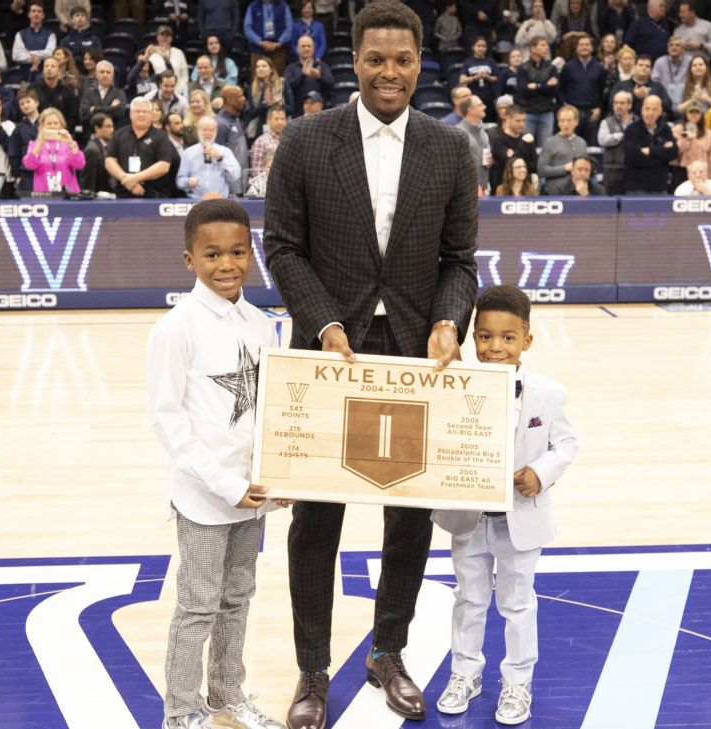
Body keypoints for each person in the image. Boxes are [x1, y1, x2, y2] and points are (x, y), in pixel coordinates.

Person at [262, 3, 479, 727]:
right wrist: (322, 320)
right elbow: (284, 248)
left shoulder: (450, 148)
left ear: (421, 63)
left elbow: (460, 263)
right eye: (377, 59)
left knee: (407, 519)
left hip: (415, 359)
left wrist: (450, 321)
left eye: (404, 60)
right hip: (330, 356)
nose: (391, 73)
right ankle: (313, 669)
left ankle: (389, 649)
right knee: (316, 523)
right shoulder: (304, 139)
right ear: (354, 61)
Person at [146, 199, 287, 729]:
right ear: (189, 260)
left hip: (252, 494)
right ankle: (181, 710)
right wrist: (224, 483)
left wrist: (280, 476)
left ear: (251, 253)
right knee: (198, 606)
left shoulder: (260, 323)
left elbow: (273, 409)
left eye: (237, 252)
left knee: (237, 599)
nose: (226, 264)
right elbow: (167, 421)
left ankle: (229, 696)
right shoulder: (175, 329)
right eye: (212, 255)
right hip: (205, 496)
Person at [431, 284, 578, 727]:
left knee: (517, 603)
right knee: (469, 599)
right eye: (485, 336)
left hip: (521, 517)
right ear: (471, 337)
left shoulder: (548, 393)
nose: (495, 347)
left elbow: (565, 443)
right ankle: (464, 674)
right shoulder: (450, 385)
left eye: (508, 338)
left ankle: (518, 681)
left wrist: (541, 472)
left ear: (526, 341)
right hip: (468, 517)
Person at [106, 96, 179, 197]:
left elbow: (164, 166)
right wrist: (126, 180)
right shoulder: (119, 134)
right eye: (137, 111)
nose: (141, 114)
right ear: (130, 114)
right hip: (124, 195)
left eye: (145, 111)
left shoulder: (161, 136)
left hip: (154, 196)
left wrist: (135, 178)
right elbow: (109, 161)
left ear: (151, 115)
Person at [177, 115, 242, 199]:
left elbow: (235, 176)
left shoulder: (225, 152)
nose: (207, 134)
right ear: (198, 130)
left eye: (211, 130)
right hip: (196, 201)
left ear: (216, 131)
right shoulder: (188, 153)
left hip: (220, 201)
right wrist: (188, 182)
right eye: (204, 130)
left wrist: (220, 158)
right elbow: (179, 181)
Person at [22, 108, 85, 194]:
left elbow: (80, 165)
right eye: (49, 123)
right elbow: (29, 165)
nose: (52, 126)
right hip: (43, 193)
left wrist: (71, 144)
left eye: (56, 123)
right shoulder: (34, 144)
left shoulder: (69, 144)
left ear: (61, 125)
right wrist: (39, 145)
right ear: (42, 125)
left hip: (68, 192)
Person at [623, 93, 677, 194]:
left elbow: (673, 153)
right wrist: (661, 154)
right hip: (636, 187)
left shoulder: (666, 129)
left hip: (660, 187)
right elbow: (634, 157)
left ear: (660, 112)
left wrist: (650, 151)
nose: (650, 113)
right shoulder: (631, 130)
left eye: (654, 109)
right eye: (647, 109)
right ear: (642, 110)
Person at [559, 34, 605, 142]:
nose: (584, 47)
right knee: (571, 144)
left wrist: (599, 107)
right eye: (581, 45)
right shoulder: (568, 66)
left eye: (587, 45)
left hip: (592, 113)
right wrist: (566, 106)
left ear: (592, 48)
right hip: (573, 112)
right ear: (577, 48)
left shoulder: (599, 67)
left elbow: (603, 91)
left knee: (592, 147)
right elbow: (561, 89)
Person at [515, 35, 559, 145]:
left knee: (545, 147)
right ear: (533, 48)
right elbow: (523, 91)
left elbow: (554, 89)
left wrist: (537, 86)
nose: (547, 48)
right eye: (543, 45)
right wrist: (545, 86)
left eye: (547, 45)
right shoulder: (523, 68)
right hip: (528, 112)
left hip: (547, 112)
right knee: (526, 146)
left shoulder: (551, 67)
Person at [538, 105, 588, 194]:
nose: (565, 124)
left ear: (576, 122)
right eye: (562, 121)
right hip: (555, 190)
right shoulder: (550, 142)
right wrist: (564, 168)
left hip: (577, 190)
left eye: (569, 120)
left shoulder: (582, 142)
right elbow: (541, 170)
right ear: (558, 123)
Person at [489, 103, 537, 193]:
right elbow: (510, 165)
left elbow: (534, 166)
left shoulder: (527, 139)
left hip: (524, 190)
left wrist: (516, 157)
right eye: (518, 121)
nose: (522, 124)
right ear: (507, 119)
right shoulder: (499, 141)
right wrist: (523, 144)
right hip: (503, 190)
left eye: (524, 120)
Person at [609, 53, 671, 118]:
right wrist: (633, 95)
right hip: (626, 123)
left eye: (647, 66)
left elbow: (667, 105)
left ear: (651, 70)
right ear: (634, 67)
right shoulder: (621, 86)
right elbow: (612, 105)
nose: (644, 68)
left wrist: (648, 99)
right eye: (640, 65)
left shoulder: (658, 87)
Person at [670, 101, 711, 189]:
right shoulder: (676, 130)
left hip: (701, 172)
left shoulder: (708, 133)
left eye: (697, 112)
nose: (694, 114)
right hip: (681, 170)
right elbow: (673, 151)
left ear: (701, 114)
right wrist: (687, 139)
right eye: (691, 112)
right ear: (686, 114)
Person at [285, 36, 334, 117]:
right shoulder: (291, 68)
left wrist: (319, 77)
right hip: (297, 115)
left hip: (320, 115)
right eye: (303, 46)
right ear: (297, 48)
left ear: (314, 48)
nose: (306, 48)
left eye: (309, 46)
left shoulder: (322, 66)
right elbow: (287, 88)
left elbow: (331, 85)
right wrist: (303, 75)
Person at [598, 89, 634, 193]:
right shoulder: (606, 122)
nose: (618, 106)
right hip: (612, 170)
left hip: (633, 169)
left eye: (622, 103)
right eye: (616, 103)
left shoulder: (637, 121)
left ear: (629, 105)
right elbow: (602, 140)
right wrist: (622, 136)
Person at [245, 0, 295, 72]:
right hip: (258, 49)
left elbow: (289, 28)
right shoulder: (252, 6)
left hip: (278, 50)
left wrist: (279, 43)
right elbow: (247, 29)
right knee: (257, 78)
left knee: (278, 78)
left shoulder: (283, 6)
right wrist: (260, 42)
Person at [457, 95, 493, 192]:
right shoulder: (458, 132)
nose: (484, 107)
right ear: (471, 110)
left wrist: (489, 162)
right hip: (465, 189)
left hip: (483, 186)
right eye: (480, 105)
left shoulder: (482, 131)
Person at [13, 2, 56, 80]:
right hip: (24, 75)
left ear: (43, 16)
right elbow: (16, 56)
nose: (36, 14)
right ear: (29, 14)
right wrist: (37, 57)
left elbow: (50, 53)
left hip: (44, 76)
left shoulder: (51, 35)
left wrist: (29, 53)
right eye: (33, 11)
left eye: (39, 11)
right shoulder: (20, 34)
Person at [34, 56, 81, 127]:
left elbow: (72, 116)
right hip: (38, 130)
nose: (49, 69)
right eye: (46, 66)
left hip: (61, 131)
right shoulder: (33, 89)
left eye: (52, 66)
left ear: (59, 70)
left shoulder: (67, 91)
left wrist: (64, 130)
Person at [81, 60, 129, 130]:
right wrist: (111, 108)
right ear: (96, 75)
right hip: (92, 133)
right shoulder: (88, 94)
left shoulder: (119, 93)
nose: (105, 75)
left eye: (108, 72)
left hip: (114, 134)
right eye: (102, 72)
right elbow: (83, 116)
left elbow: (119, 113)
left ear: (113, 76)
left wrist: (94, 109)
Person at [460, 36, 498, 118]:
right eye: (478, 46)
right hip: (473, 98)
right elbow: (462, 80)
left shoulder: (491, 61)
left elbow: (496, 78)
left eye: (483, 46)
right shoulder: (468, 62)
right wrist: (475, 77)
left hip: (489, 98)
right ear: (473, 47)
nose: (481, 48)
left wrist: (487, 76)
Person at [248, 104, 286, 180]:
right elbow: (257, 172)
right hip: (267, 185)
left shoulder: (289, 140)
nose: (280, 122)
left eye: (282, 119)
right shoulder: (261, 142)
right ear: (268, 121)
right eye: (276, 119)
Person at [81, 112, 115, 193]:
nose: (112, 130)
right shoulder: (92, 150)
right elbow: (87, 182)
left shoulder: (110, 144)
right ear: (97, 128)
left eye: (112, 126)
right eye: (108, 126)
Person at [652, 35, 690, 106]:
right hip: (663, 98)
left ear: (683, 49)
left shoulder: (689, 61)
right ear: (667, 48)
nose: (674, 47)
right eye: (671, 45)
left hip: (684, 98)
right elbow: (654, 82)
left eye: (677, 45)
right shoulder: (660, 61)